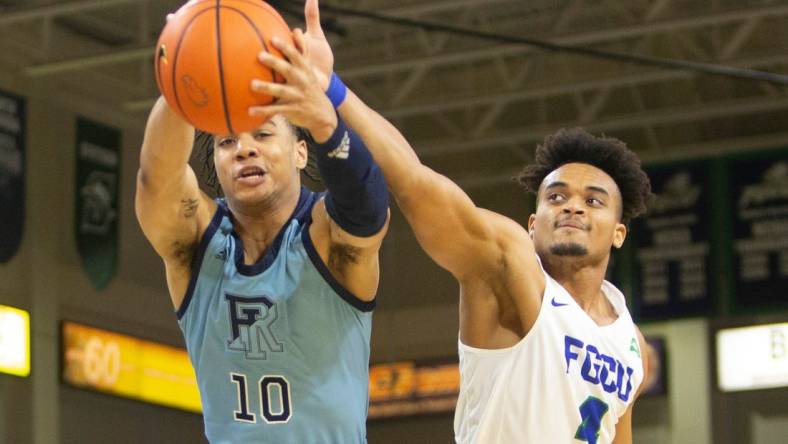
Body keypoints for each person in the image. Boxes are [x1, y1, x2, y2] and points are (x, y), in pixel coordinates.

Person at [254, 2, 652, 441]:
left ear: (619, 233)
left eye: (593, 200)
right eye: (556, 197)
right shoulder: (508, 263)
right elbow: (413, 179)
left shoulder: (627, 336)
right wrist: (331, 89)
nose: (573, 206)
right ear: (533, 223)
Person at [134, 1, 389, 442]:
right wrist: (187, 71)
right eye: (227, 141)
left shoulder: (324, 235)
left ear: (301, 151)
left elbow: (368, 208)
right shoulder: (198, 243)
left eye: (264, 134)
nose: (244, 149)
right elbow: (156, 179)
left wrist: (325, 114)